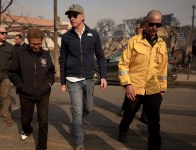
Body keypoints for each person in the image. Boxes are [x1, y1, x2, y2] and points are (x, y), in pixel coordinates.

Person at [59, 4, 107, 150]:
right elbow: (62, 60)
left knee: (89, 108)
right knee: (78, 111)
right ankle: (79, 142)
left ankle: (77, 118)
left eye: (74, 15)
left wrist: (103, 76)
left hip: (88, 78)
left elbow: (100, 56)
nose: (71, 18)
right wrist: (63, 82)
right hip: (72, 79)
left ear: (82, 16)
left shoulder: (93, 34)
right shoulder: (66, 37)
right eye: (69, 16)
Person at [118, 10, 167, 150]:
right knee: (129, 114)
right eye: (152, 24)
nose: (154, 28)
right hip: (135, 87)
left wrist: (162, 89)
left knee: (154, 122)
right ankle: (123, 129)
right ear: (146, 23)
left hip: (153, 89)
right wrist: (127, 85)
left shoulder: (162, 45)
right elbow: (123, 64)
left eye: (158, 25)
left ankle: (154, 146)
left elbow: (162, 69)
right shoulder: (133, 41)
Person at [8, 27, 55, 150]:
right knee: (25, 120)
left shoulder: (46, 55)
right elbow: (12, 72)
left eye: (39, 44)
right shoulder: (20, 54)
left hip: (43, 93)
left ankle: (41, 146)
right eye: (33, 44)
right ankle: (27, 130)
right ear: (28, 41)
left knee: (43, 121)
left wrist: (49, 84)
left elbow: (51, 72)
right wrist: (20, 85)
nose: (36, 46)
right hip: (26, 94)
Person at [117, 20, 148, 125]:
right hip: (133, 79)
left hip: (149, 82)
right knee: (130, 103)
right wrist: (127, 82)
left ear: (143, 28)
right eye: (136, 28)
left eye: (138, 28)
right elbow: (124, 62)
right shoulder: (132, 41)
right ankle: (124, 111)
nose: (136, 30)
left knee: (147, 104)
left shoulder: (157, 42)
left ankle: (144, 116)